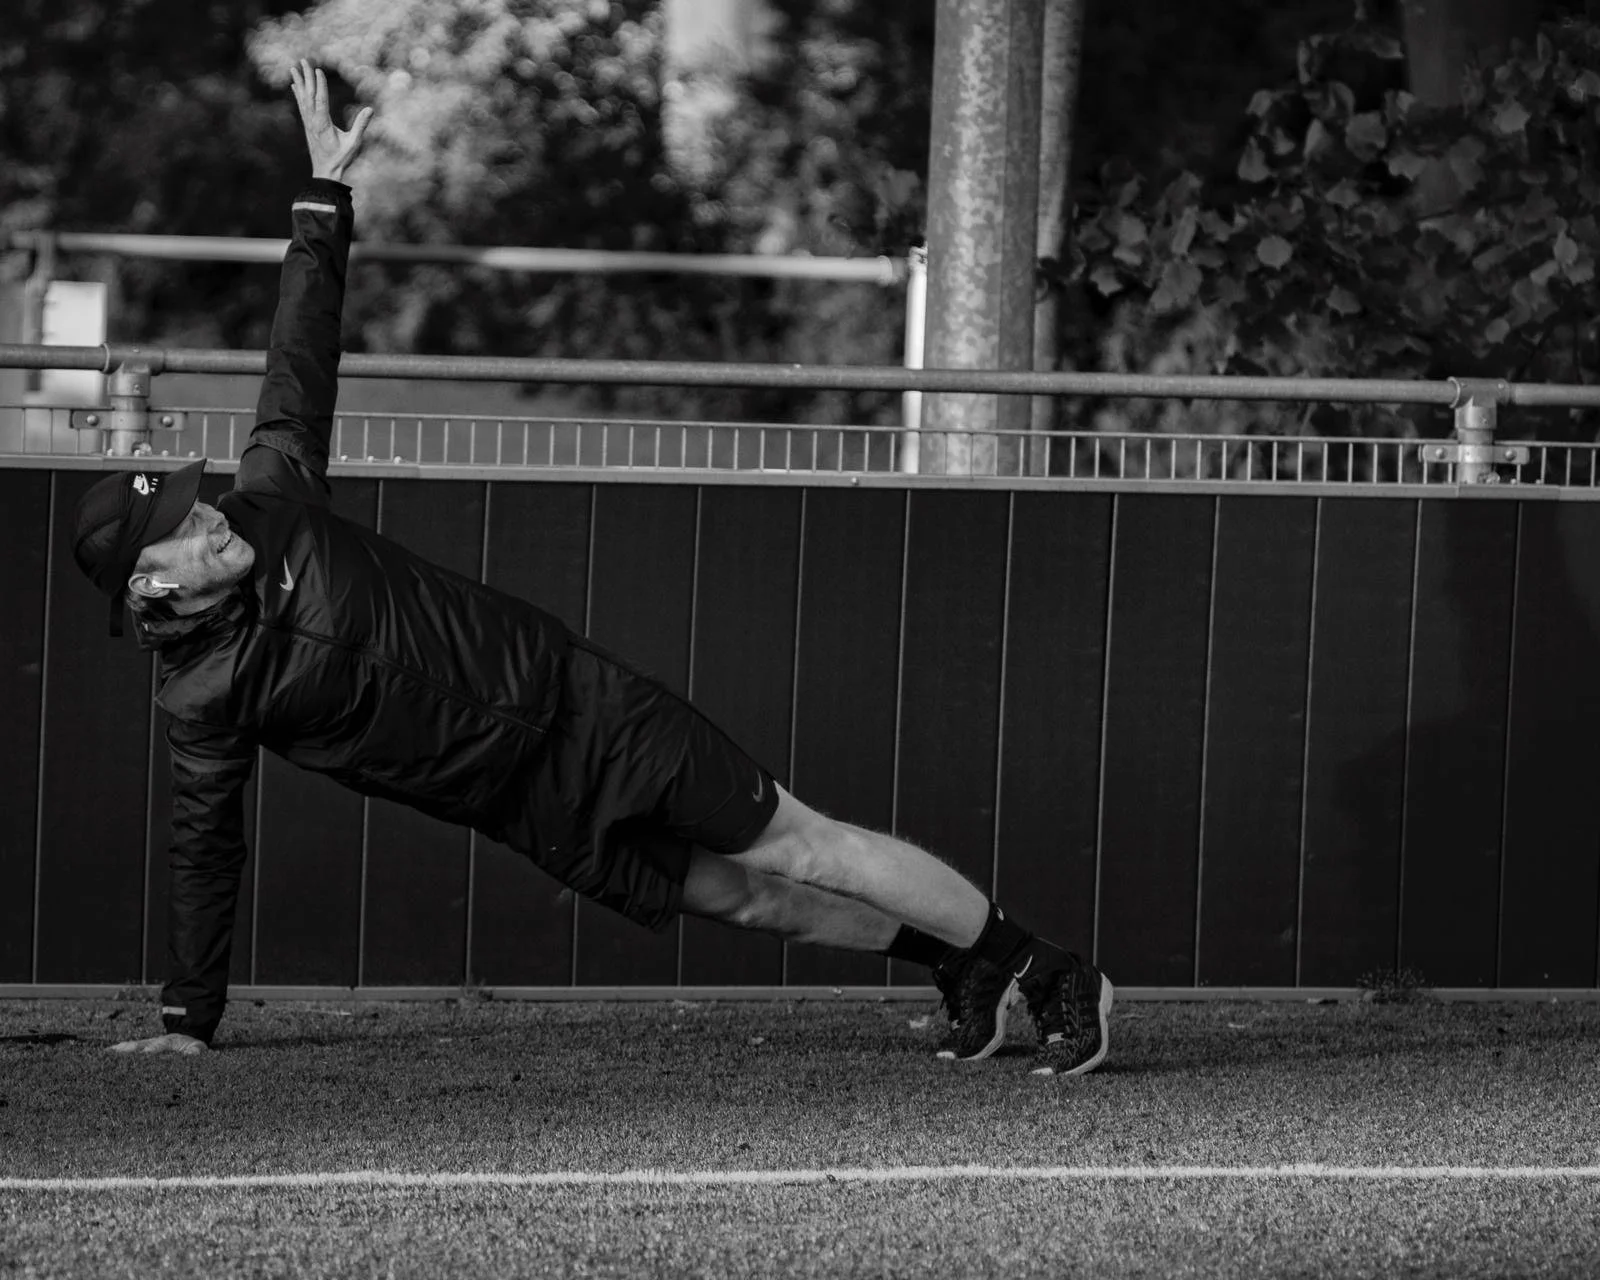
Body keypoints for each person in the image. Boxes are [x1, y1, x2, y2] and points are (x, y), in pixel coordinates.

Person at [71, 63, 1112, 1075]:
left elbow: (300, 354)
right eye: (178, 524)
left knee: (802, 848)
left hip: (584, 708)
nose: (204, 510)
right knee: (754, 900)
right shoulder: (201, 697)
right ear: (151, 588)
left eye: (190, 495)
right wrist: (186, 1017)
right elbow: (205, 848)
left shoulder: (273, 493)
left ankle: (1048, 968)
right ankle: (960, 962)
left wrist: (322, 195)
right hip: (523, 803)